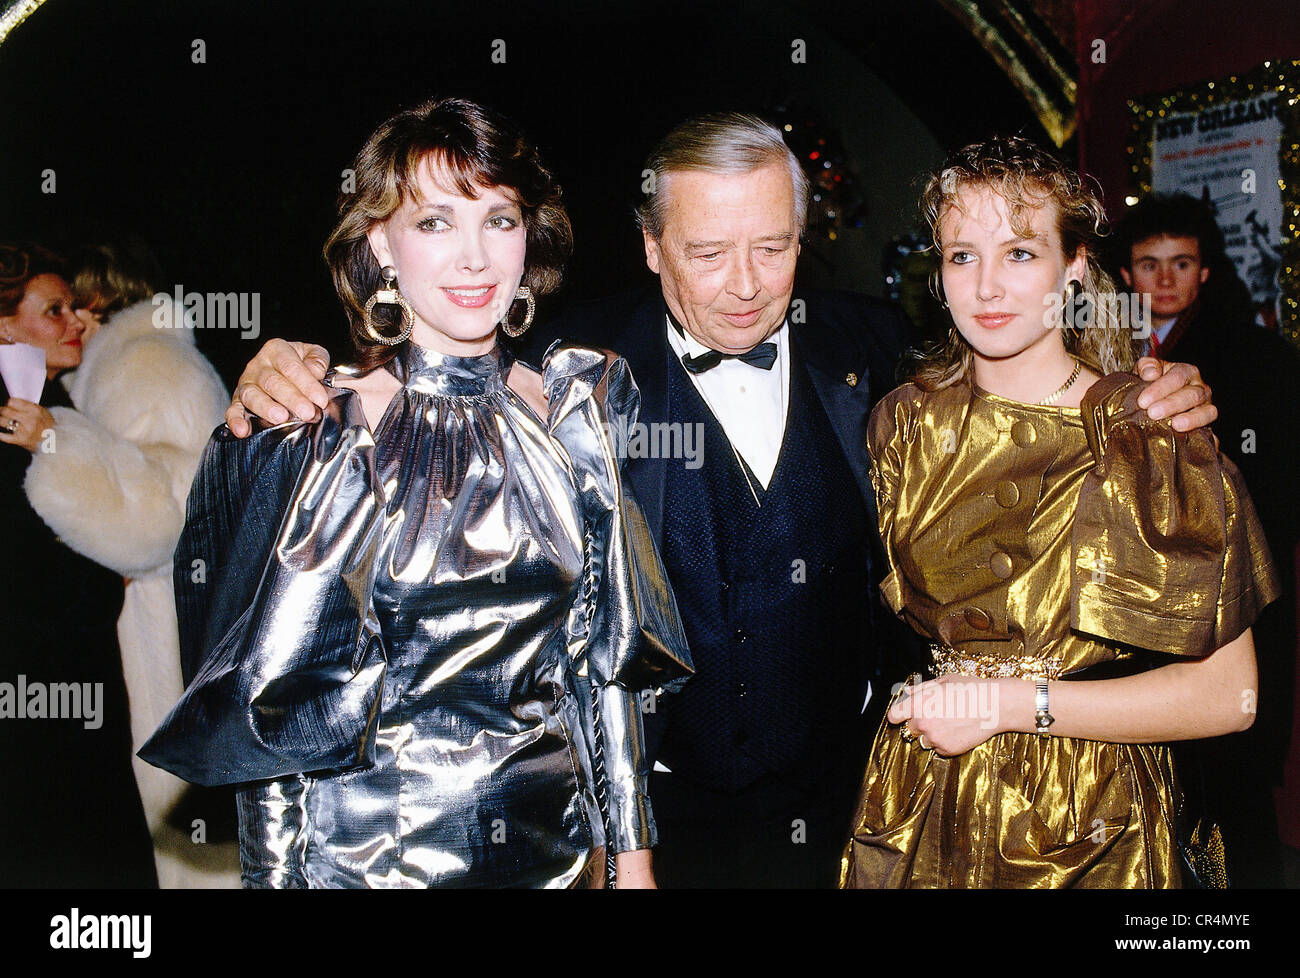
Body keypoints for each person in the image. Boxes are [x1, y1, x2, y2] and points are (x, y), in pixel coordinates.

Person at [223, 114, 1219, 888]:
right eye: (706, 253)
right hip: (644, 819)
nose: (746, 287)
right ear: (651, 246)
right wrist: (285, 365)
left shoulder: (876, 354)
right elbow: (428, 362)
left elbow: (1023, 375)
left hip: (856, 802)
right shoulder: (569, 371)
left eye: (774, 247)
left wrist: (1142, 387)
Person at [139, 96, 691, 889]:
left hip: (556, 862)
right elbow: (281, 724)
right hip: (367, 867)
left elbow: (603, 671)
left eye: (498, 220)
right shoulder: (326, 430)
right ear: (379, 244)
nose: (474, 259)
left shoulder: (576, 412)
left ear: (527, 235)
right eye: (434, 223)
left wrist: (632, 869)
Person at [840, 136, 1277, 888]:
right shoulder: (901, 425)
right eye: (960, 256)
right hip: (923, 798)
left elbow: (1228, 697)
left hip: (1087, 816)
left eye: (1019, 254)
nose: (986, 288)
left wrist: (1007, 703)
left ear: (1074, 267)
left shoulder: (1145, 438)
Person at [21, 242, 238, 888]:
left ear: (99, 302)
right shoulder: (135, 364)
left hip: (166, 636)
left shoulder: (142, 366)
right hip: (173, 627)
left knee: (184, 848)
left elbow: (158, 523)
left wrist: (57, 449)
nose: (68, 323)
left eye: (73, 304)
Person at [1114, 193, 1300, 886]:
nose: (1164, 280)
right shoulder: (1100, 348)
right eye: (1149, 264)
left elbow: (1278, 490)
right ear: (1127, 275)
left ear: (1206, 273)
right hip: (1139, 604)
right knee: (1157, 788)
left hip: (1236, 597)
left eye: (1181, 263)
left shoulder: (1254, 356)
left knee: (1232, 786)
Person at [0, 242, 157, 887]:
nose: (77, 323)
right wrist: (105, 573)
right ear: (5, 327)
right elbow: (40, 583)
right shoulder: (14, 425)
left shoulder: (44, 412)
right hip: (42, 696)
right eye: (55, 309)